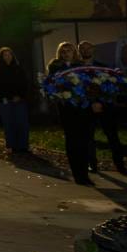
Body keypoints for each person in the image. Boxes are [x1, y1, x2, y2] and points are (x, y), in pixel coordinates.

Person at [77, 41, 127, 175]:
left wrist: (100, 102)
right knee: (88, 138)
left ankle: (120, 165)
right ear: (79, 51)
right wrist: (91, 102)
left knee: (112, 136)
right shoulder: (76, 69)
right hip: (86, 107)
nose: (85, 50)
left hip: (105, 107)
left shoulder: (104, 68)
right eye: (82, 48)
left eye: (88, 48)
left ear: (93, 49)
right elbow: (77, 89)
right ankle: (92, 164)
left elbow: (109, 88)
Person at [48, 41, 93, 185]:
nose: (66, 53)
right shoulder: (55, 67)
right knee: (72, 140)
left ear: (74, 52)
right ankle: (77, 174)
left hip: (82, 108)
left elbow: (88, 84)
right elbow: (51, 85)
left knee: (84, 140)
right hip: (66, 108)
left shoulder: (81, 66)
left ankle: (85, 174)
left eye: (69, 50)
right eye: (63, 51)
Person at [0, 47, 31, 153]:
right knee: (9, 123)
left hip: (20, 99)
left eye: (9, 54)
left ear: (13, 56)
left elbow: (24, 83)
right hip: (5, 100)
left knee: (22, 122)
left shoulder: (19, 68)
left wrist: (20, 96)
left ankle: (23, 145)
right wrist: (8, 97)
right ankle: (13, 145)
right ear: (2, 57)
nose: (7, 56)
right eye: (5, 55)